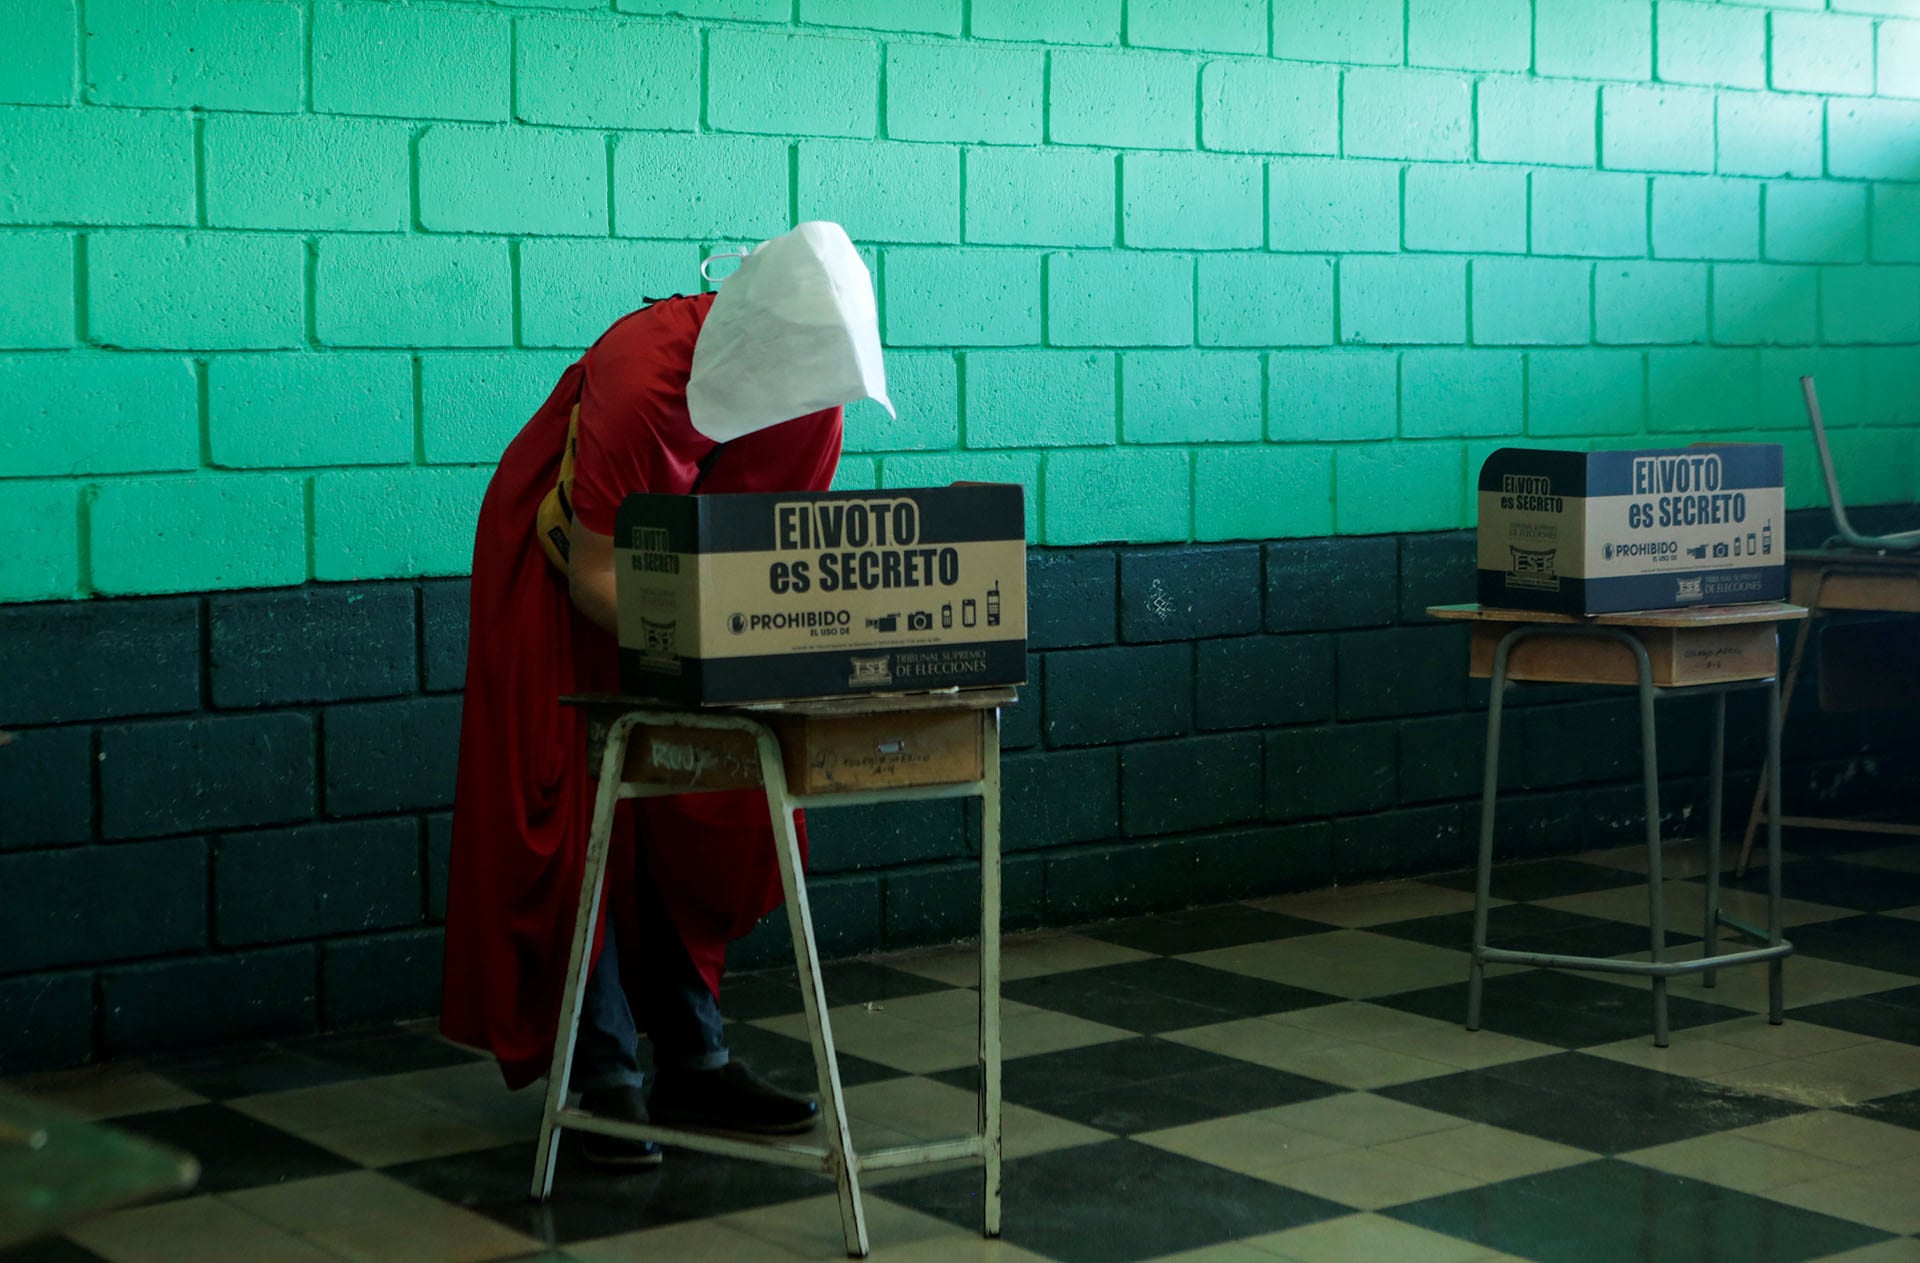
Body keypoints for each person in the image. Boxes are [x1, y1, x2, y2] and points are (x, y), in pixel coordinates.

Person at [441, 222, 893, 1165]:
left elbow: (772, 559)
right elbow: (596, 575)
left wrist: (759, 656)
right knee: (572, 808)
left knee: (701, 799)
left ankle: (693, 1057)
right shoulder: (641, 369)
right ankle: (600, 1068)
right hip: (562, 578)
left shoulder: (817, 394)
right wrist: (719, 655)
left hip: (693, 606)